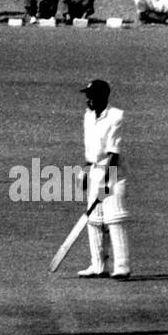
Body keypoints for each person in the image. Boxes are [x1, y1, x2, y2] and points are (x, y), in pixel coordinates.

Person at [75, 79, 129, 280]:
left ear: (102, 97)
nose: (88, 100)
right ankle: (98, 266)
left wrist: (107, 183)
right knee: (94, 220)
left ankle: (122, 266)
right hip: (95, 171)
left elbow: (113, 153)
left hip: (112, 173)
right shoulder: (88, 117)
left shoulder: (115, 116)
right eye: (87, 96)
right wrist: (86, 170)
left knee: (114, 219)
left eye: (91, 96)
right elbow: (90, 149)